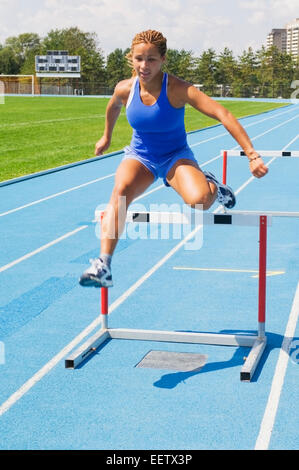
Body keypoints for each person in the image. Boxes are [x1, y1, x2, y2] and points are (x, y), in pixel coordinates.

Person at [79, 30, 268, 288]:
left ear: (163, 59)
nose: (144, 66)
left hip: (175, 157)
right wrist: (106, 137)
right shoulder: (125, 88)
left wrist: (252, 155)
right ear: (131, 58)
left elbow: (223, 113)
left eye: (152, 60)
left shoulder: (179, 89)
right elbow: (112, 107)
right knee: (120, 190)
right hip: (141, 157)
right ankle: (104, 264)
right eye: (139, 59)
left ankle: (213, 185)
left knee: (200, 201)